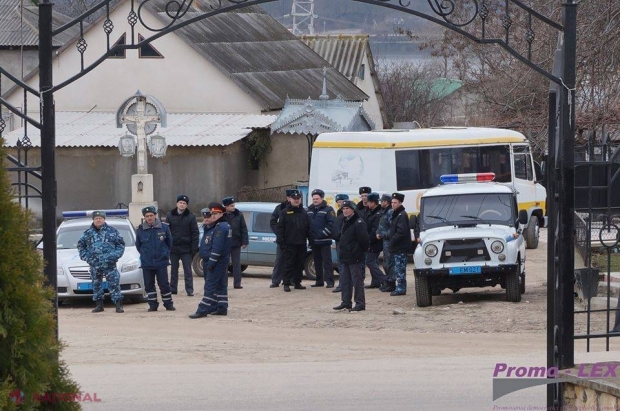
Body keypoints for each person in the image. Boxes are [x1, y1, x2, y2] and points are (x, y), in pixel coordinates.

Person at [77, 210, 126, 313]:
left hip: (109, 263)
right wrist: (86, 257)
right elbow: (81, 246)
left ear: (104, 219)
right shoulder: (87, 233)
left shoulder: (112, 231)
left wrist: (114, 256)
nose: (98, 220)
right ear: (93, 220)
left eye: (100, 218)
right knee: (96, 284)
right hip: (94, 264)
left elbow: (120, 245)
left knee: (114, 284)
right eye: (96, 219)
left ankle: (118, 305)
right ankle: (99, 305)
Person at [190, 203, 232, 318]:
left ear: (221, 213)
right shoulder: (222, 225)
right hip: (220, 261)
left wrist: (212, 263)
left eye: (215, 214)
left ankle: (202, 309)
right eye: (212, 213)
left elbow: (217, 248)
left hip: (217, 261)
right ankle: (221, 307)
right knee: (220, 285)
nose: (212, 216)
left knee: (210, 285)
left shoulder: (220, 227)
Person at [135, 206, 175, 312]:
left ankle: (168, 304)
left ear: (155, 215)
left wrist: (164, 254)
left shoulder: (164, 227)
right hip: (147, 263)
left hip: (161, 262)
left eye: (151, 215)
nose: (149, 218)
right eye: (147, 216)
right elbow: (138, 246)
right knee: (149, 285)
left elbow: (169, 243)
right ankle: (152, 305)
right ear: (144, 217)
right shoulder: (140, 229)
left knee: (164, 284)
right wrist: (146, 255)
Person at [333, 200, 369, 311]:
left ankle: (360, 303)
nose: (345, 211)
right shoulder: (345, 221)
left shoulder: (358, 222)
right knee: (345, 280)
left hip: (355, 257)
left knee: (357, 281)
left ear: (353, 209)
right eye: (343, 209)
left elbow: (365, 241)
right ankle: (346, 302)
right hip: (344, 256)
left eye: (347, 208)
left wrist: (358, 252)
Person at [275, 189, 310, 292]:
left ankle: (297, 282)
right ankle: (286, 283)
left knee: (299, 264)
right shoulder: (285, 212)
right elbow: (280, 228)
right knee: (288, 264)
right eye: (294, 199)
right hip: (289, 243)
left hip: (301, 243)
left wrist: (310, 239)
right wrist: (281, 242)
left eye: (298, 198)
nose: (296, 200)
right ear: (290, 199)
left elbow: (307, 228)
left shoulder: (304, 212)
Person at [166, 194, 199, 296]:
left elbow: (195, 233)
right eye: (180, 203)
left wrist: (194, 248)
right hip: (174, 248)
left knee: (188, 270)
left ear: (187, 205)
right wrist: (167, 246)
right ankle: (173, 289)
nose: (182, 205)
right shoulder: (170, 216)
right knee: (174, 270)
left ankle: (189, 290)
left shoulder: (191, 217)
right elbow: (166, 232)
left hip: (186, 248)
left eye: (184, 203)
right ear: (177, 203)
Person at [307, 188, 336, 288]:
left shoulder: (328, 209)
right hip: (314, 241)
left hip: (324, 240)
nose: (315, 200)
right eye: (314, 199)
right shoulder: (309, 210)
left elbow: (332, 224)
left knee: (327, 262)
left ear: (322, 198)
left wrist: (322, 234)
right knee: (317, 262)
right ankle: (319, 281)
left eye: (317, 198)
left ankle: (330, 282)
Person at [269, 189, 294, 288]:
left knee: (292, 260)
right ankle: (276, 280)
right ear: (287, 198)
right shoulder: (279, 208)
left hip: (293, 238)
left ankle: (289, 280)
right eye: (290, 197)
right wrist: (279, 233)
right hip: (282, 239)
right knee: (279, 260)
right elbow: (273, 222)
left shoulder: (298, 209)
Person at [223, 196, 249, 289]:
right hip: (224, 243)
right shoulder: (222, 215)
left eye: (234, 205)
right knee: (224, 264)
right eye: (231, 206)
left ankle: (237, 283)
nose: (233, 207)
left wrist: (245, 241)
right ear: (226, 206)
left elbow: (243, 228)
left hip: (236, 242)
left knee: (236, 264)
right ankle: (224, 284)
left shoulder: (239, 215)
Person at [389, 193, 411, 296]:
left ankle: (401, 288)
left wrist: (392, 241)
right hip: (397, 246)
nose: (393, 204)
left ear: (400, 202)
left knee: (400, 268)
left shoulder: (401, 214)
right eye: (392, 202)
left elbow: (401, 232)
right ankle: (400, 287)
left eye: (395, 202)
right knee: (398, 268)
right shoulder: (397, 214)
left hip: (400, 247)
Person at [364, 192, 386, 289]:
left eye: (369, 202)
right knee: (374, 261)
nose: (367, 204)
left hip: (374, 242)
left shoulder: (378, 214)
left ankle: (384, 280)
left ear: (374, 202)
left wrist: (367, 240)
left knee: (369, 261)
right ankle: (375, 281)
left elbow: (374, 230)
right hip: (371, 241)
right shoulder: (371, 212)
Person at [331, 193, 349, 293]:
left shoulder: (346, 214)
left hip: (344, 242)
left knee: (343, 264)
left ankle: (342, 285)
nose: (339, 204)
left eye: (341, 202)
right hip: (338, 241)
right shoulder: (339, 212)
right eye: (338, 202)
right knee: (341, 264)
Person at [377, 194, 394, 292]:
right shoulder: (384, 211)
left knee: (390, 263)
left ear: (386, 202)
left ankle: (391, 283)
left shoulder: (390, 212)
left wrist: (382, 235)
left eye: (382, 201)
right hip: (385, 241)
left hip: (389, 241)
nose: (380, 203)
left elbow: (392, 229)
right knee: (386, 263)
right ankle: (388, 282)